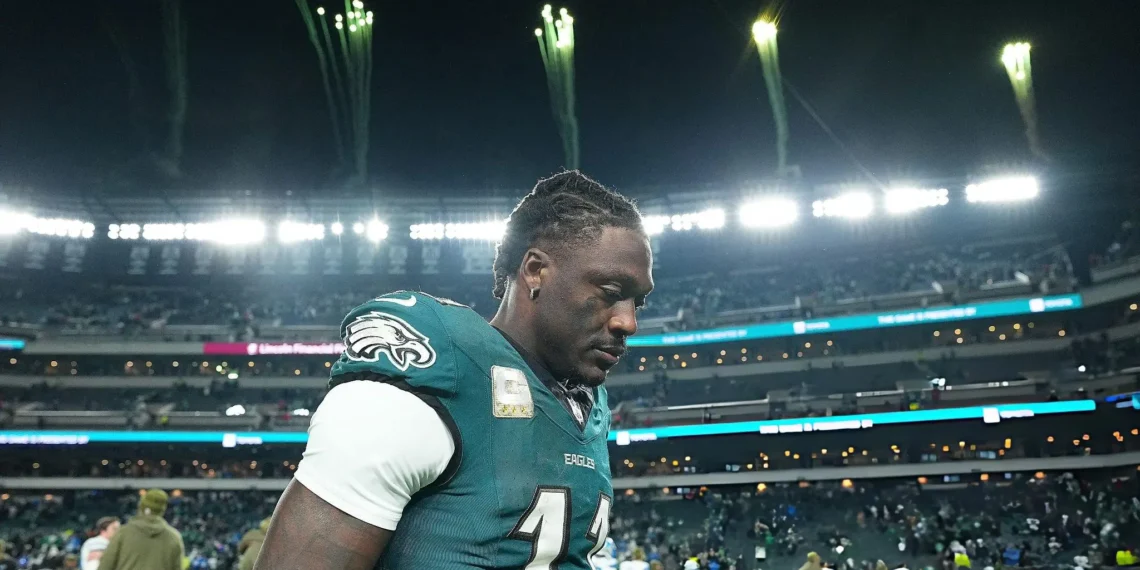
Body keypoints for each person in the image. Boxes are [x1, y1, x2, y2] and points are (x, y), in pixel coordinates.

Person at [257, 171, 654, 569]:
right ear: (535, 270)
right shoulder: (437, 370)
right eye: (611, 293)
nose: (628, 323)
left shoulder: (589, 404)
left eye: (638, 303)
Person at [99, 489, 184, 570]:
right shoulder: (174, 537)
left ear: (141, 507)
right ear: (163, 510)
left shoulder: (123, 533)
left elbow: (105, 566)